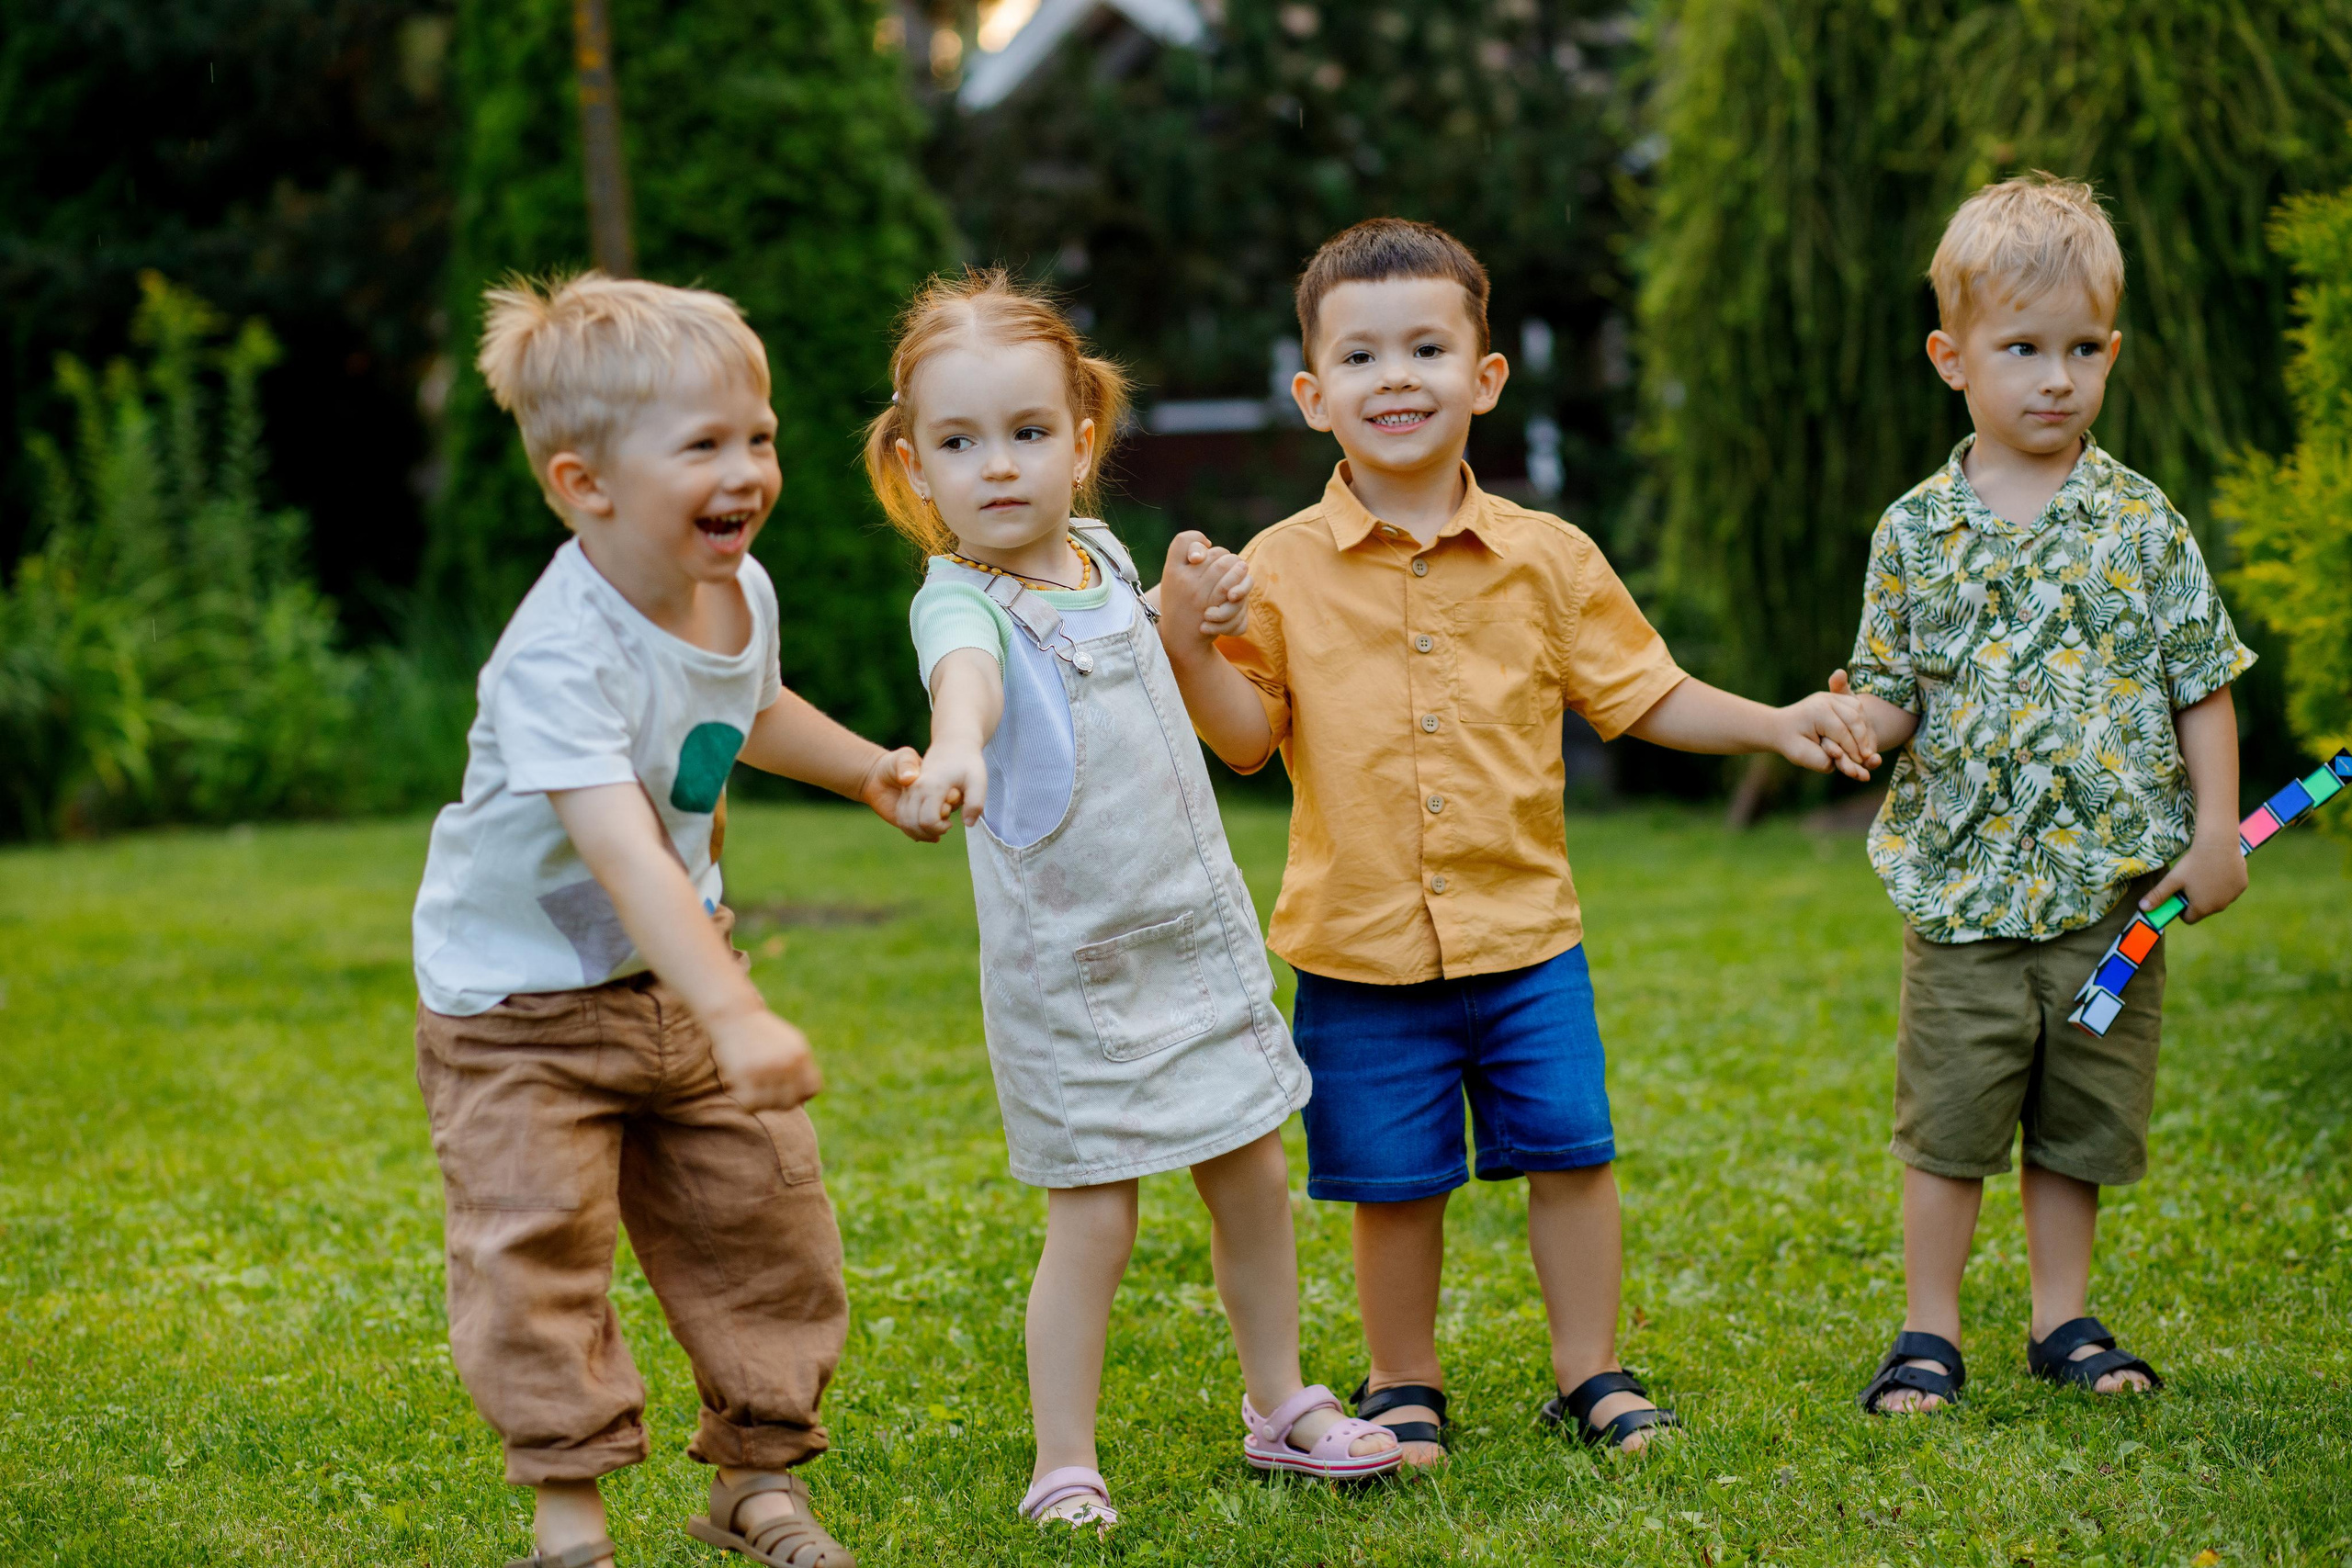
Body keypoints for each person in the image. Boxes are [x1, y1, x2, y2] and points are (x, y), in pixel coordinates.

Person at [1162, 218, 1879, 1461]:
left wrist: (1776, 724)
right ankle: (1403, 1380)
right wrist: (1185, 644)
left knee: (1572, 1153)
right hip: (1361, 945)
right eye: (1364, 357)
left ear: (1484, 378)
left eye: (1428, 348)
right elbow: (1240, 739)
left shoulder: (1548, 560)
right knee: (1391, 1182)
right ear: (1313, 392)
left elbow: (1643, 692)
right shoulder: (1276, 571)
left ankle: (1590, 1371)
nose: (1398, 378)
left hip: (1526, 935)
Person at [411, 273, 938, 1568]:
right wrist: (738, 1008)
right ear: (585, 484)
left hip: (671, 986)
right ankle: (570, 1519)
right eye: (702, 444)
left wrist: (871, 767)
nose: (748, 468)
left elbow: (746, 710)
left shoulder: (735, 593)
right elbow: (627, 853)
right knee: (535, 1249)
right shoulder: (557, 656)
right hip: (518, 1013)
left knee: (762, 1225)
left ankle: (754, 1486)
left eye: (756, 435)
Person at [871, 269, 1403, 1533]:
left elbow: (1177, 673)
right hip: (1077, 975)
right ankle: (1064, 1460)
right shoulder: (959, 601)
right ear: (914, 466)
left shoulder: (1104, 560)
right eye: (959, 442)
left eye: (1026, 433)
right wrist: (951, 756)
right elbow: (970, 688)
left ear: (1082, 440)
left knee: (1253, 1177)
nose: (997, 467)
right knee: (1095, 1218)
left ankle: (1278, 1402)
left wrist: (1186, 611)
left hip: (1191, 935)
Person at [1836, 174, 2255, 1416]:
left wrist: (2218, 828)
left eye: (2083, 349)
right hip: (1962, 897)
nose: (2056, 378)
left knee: (2078, 1120)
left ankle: (2063, 1317)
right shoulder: (1913, 533)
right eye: (2023, 349)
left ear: (2112, 353)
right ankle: (1928, 1332)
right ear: (1952, 359)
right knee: (1952, 1122)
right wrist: (1860, 720)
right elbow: (1895, 686)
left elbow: (2202, 683)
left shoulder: (2141, 523)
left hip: (2108, 898)